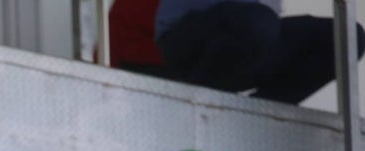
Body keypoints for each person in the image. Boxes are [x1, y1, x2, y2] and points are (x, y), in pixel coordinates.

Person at [155, 0, 365, 104]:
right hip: (188, 38)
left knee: (348, 37)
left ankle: (265, 106)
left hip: (256, 40)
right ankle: (197, 94)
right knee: (258, 23)